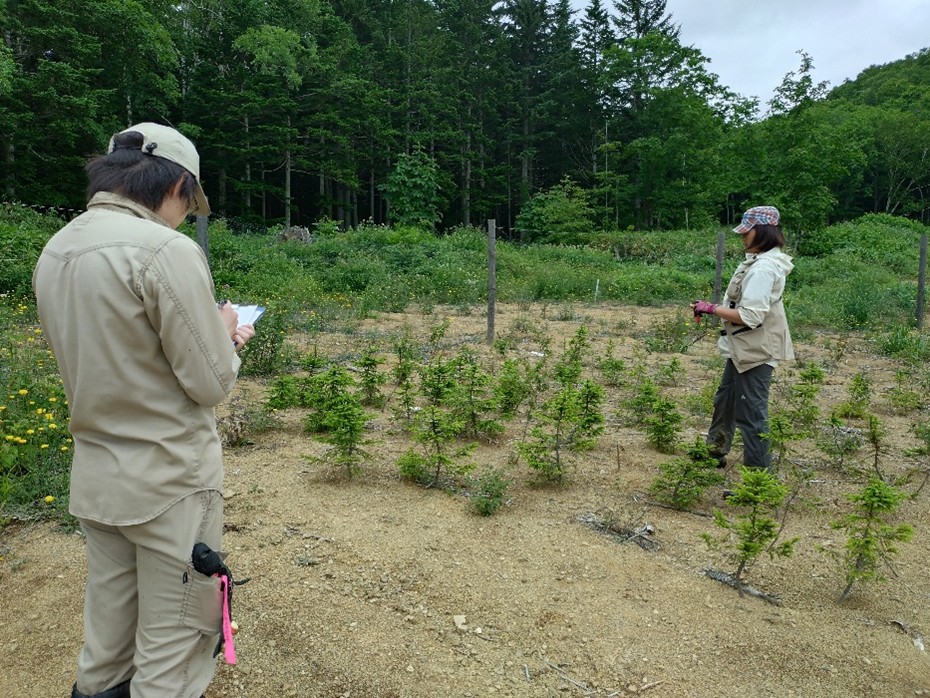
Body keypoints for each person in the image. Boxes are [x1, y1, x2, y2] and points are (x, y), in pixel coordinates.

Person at [33, 122, 255, 698]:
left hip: (97, 476)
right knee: (174, 644)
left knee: (106, 641)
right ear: (177, 184)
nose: (187, 215)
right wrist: (227, 335)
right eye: (191, 202)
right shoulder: (164, 249)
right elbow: (208, 383)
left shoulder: (60, 247)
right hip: (169, 482)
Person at [691, 205, 794, 472]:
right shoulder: (759, 262)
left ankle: (758, 481)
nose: (742, 238)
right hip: (744, 349)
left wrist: (711, 309)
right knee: (725, 403)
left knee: (751, 415)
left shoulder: (763, 269)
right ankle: (714, 453)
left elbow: (750, 316)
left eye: (746, 232)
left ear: (762, 232)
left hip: (755, 352)